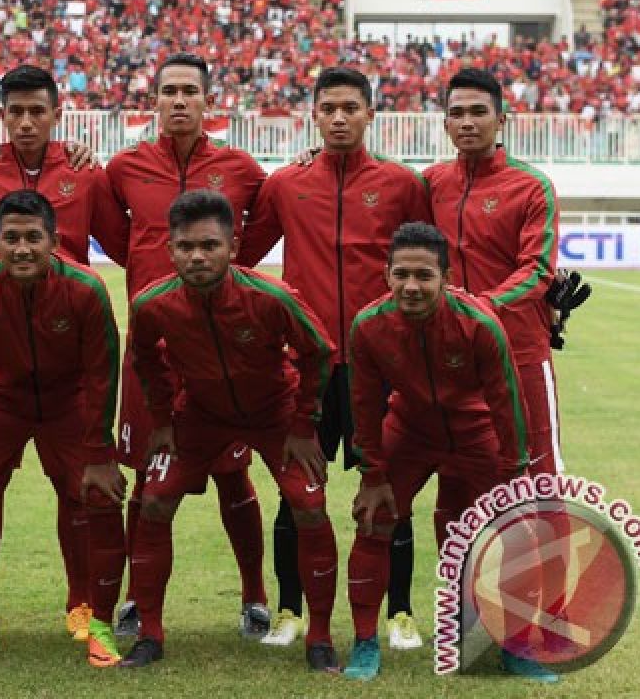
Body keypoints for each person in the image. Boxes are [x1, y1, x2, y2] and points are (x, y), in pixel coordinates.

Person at [240, 66, 432, 649]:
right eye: (330, 108)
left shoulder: (401, 185)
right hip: (310, 366)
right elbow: (241, 256)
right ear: (315, 115)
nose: (340, 117)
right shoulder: (285, 183)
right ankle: (290, 611)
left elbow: (429, 263)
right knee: (296, 490)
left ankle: (399, 614)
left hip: (383, 365)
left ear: (371, 114)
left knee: (390, 490)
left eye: (352, 107)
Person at [120, 190, 340, 672]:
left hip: (274, 413)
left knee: (308, 505)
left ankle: (320, 638)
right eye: (186, 247)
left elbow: (319, 352)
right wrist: (161, 419)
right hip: (199, 415)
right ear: (170, 249)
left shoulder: (272, 296)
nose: (197, 256)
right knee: (154, 500)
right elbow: (144, 358)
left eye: (209, 246)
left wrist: (304, 427)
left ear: (232, 247)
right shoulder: (153, 303)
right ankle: (149, 635)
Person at [0, 65, 129, 639]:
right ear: (1, 115)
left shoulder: (87, 177)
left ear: (56, 115)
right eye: (16, 112)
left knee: (83, 494)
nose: (27, 122)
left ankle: (82, 605)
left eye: (38, 112)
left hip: (68, 367)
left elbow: (127, 247)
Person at [341, 221, 553, 683]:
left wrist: (514, 473)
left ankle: (516, 645)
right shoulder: (368, 326)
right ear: (386, 274)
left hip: (475, 430)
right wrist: (373, 473)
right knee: (373, 522)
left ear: (446, 276)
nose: (411, 287)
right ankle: (363, 643)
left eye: (424, 276)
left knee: (511, 535)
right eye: (402, 275)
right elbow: (364, 404)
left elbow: (506, 401)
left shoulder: (479, 323)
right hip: (410, 429)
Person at [104, 53, 269, 640]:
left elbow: (261, 230)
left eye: (188, 93)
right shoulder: (124, 167)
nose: (177, 101)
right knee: (148, 476)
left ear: (208, 103)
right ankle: (137, 599)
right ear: (154, 101)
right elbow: (112, 235)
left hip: (221, 356)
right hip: (150, 348)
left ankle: (254, 595)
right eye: (167, 91)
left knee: (233, 477)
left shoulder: (242, 169)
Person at [423, 67, 570, 662]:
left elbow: (537, 271)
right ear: (446, 120)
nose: (466, 122)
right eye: (456, 112)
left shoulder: (532, 186)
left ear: (500, 119)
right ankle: (462, 615)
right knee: (453, 491)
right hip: (451, 365)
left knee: (539, 491)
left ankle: (545, 627)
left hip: (521, 360)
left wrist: (478, 309)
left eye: (478, 112)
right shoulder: (428, 182)